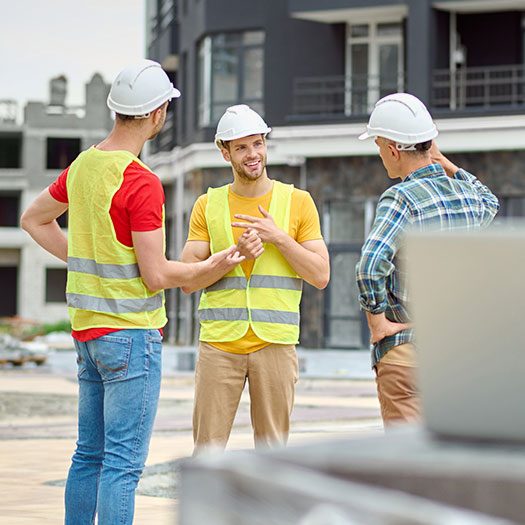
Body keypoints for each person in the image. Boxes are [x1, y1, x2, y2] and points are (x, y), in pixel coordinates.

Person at [20, 60, 243, 525]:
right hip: (130, 337)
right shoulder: (141, 182)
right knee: (122, 465)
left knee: (88, 456)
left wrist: (83, 259)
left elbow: (34, 219)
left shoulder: (83, 167)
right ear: (158, 113)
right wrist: (212, 265)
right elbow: (157, 274)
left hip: (87, 335)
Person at [180, 104, 330, 452]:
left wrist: (278, 237)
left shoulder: (298, 202)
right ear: (225, 152)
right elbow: (187, 279)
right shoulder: (208, 204)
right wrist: (234, 256)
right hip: (220, 345)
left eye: (258, 144)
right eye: (242, 147)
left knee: (273, 453)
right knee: (208, 453)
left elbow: (320, 274)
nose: (253, 154)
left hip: (275, 343)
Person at [355, 93, 499, 427]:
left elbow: (370, 264)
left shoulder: (400, 197)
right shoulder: (469, 199)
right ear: (428, 144)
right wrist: (442, 160)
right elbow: (490, 201)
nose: (380, 155)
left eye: (379, 146)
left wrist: (377, 322)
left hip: (408, 351)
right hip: (460, 355)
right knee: (455, 460)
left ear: (392, 149)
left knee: (411, 467)